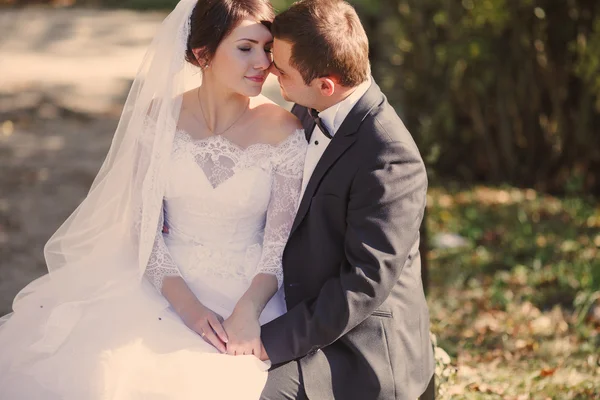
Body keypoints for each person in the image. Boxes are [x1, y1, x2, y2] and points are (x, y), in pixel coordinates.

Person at [0, 0, 306, 398]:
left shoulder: (285, 130)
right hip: (161, 282)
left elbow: (277, 245)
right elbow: (143, 227)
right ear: (203, 54)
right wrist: (188, 309)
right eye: (246, 47)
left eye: (267, 49)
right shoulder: (159, 118)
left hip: (247, 292)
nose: (262, 62)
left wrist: (248, 310)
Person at [258, 1, 435, 399]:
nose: (271, 70)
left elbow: (363, 284)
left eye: (281, 69)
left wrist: (267, 342)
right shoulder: (310, 104)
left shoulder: (390, 157)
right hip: (304, 310)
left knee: (243, 389)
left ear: (326, 84)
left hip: (358, 345)